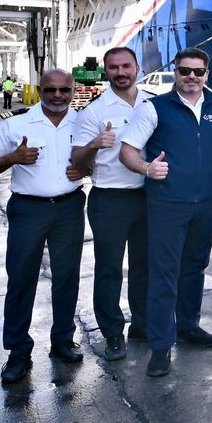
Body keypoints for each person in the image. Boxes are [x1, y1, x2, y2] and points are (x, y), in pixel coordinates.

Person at [119, 48, 212, 378]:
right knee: (164, 273)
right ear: (176, 72)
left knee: (195, 266)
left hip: (206, 202)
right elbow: (127, 151)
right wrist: (146, 168)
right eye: (185, 71)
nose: (192, 77)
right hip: (168, 203)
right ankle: (160, 345)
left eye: (198, 72)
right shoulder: (154, 107)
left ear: (207, 74)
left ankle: (188, 326)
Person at [0, 69, 86, 385]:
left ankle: (63, 340)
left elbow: (97, 158)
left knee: (66, 277)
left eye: (64, 90)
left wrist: (85, 168)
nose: (58, 96)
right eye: (50, 90)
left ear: (72, 91)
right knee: (21, 278)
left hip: (69, 207)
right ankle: (18, 352)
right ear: (39, 91)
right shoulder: (16, 124)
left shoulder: (82, 122)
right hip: (28, 210)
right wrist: (13, 157)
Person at [71, 47, 152, 361]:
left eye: (126, 66)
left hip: (148, 196)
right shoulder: (94, 111)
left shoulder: (152, 103)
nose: (121, 72)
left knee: (145, 266)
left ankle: (142, 325)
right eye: (114, 67)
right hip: (110, 199)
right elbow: (77, 159)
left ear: (137, 68)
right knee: (109, 269)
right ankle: (113, 333)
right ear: (106, 71)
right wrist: (94, 144)